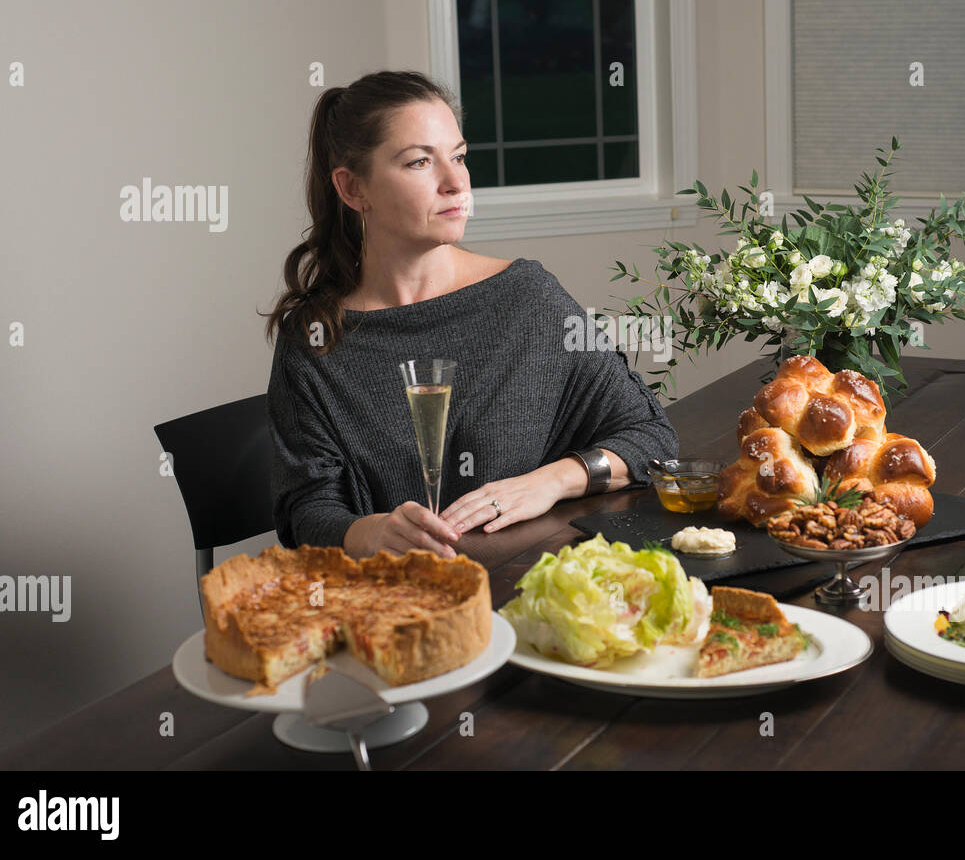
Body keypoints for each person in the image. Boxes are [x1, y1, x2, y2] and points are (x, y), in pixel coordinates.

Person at [261, 71, 678, 559]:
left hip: (526, 589)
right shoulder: (314, 341)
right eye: (420, 162)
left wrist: (548, 483)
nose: (456, 183)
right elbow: (306, 510)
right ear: (353, 189)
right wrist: (371, 532)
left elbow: (652, 441)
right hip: (396, 605)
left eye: (459, 156)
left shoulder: (529, 299)